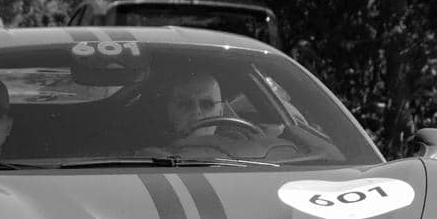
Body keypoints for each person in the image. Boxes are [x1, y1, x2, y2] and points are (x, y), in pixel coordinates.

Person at [143, 70, 337, 161]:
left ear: (221, 110)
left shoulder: (254, 144)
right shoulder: (146, 158)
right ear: (169, 111)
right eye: (185, 104)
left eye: (207, 104)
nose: (197, 112)